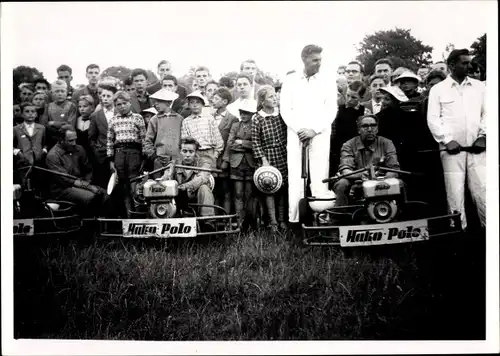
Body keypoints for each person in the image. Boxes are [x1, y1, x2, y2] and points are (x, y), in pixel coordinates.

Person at [427, 49, 486, 230]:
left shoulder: (480, 87)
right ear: (452, 65)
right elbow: (433, 119)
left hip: (478, 149)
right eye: (465, 63)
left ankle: (489, 231)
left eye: (469, 62)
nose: (469, 66)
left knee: (482, 191)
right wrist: (447, 140)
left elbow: (489, 113)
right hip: (452, 151)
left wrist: (484, 136)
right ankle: (457, 233)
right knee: (455, 193)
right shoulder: (438, 89)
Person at [280, 44, 336, 233]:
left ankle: (322, 219)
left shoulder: (328, 81)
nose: (319, 63)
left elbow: (331, 110)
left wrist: (314, 130)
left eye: (320, 60)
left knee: (320, 176)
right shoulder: (290, 80)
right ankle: (295, 222)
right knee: (296, 177)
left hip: (320, 135)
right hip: (296, 134)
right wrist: (299, 130)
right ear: (304, 59)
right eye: (315, 60)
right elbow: (285, 109)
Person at [333, 115, 400, 207]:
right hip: (357, 180)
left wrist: (381, 179)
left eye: (373, 126)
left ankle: (398, 213)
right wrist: (361, 175)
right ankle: (340, 217)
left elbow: (394, 169)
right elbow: (345, 171)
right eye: (365, 126)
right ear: (358, 130)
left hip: (382, 179)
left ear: (377, 129)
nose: (369, 129)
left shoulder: (387, 143)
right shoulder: (348, 145)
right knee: (341, 184)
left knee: (400, 184)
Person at [46, 125, 107, 216]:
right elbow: (65, 180)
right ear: (61, 140)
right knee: (91, 197)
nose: (74, 143)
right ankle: (88, 224)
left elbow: (88, 169)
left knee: (106, 194)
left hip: (81, 184)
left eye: (75, 139)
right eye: (70, 141)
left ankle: (101, 223)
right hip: (62, 189)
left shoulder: (79, 149)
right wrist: (88, 187)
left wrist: (87, 183)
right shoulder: (53, 155)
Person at [252, 86, 288, 231]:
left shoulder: (281, 114)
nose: (275, 99)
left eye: (275, 96)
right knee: (270, 187)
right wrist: (263, 160)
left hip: (282, 154)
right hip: (267, 156)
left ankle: (282, 219)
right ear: (262, 100)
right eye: (271, 97)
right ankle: (272, 222)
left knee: (282, 188)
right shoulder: (257, 118)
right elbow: (255, 141)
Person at [107, 90, 146, 218]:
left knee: (135, 183)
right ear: (115, 106)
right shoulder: (113, 120)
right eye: (118, 104)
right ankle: (128, 216)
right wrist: (111, 161)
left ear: (129, 103)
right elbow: (109, 141)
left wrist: (144, 158)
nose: (122, 106)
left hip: (134, 153)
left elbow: (144, 139)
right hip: (119, 153)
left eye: (124, 103)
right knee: (122, 185)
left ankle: (138, 215)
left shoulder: (138, 118)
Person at [161, 137, 216, 224]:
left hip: (196, 197)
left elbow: (202, 178)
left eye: (191, 152)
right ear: (180, 152)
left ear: (196, 153)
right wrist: (160, 181)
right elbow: (166, 176)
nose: (187, 155)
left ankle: (208, 222)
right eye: (184, 151)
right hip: (178, 198)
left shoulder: (204, 163)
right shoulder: (174, 164)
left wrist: (184, 186)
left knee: (204, 188)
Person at [222, 101, 257, 227]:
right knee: (238, 193)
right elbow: (230, 144)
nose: (243, 115)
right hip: (236, 163)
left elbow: (256, 144)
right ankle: (239, 220)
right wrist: (226, 159)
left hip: (250, 163)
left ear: (251, 114)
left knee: (249, 193)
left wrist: (241, 143)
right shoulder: (235, 126)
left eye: (246, 113)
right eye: (241, 113)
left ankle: (248, 219)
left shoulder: (255, 125)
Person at [329, 80, 367, 178]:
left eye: (354, 97)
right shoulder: (337, 109)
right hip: (337, 151)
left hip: (356, 151)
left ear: (361, 98)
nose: (349, 99)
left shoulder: (365, 112)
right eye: (348, 95)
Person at [144, 89, 184, 177]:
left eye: (159, 101)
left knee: (176, 184)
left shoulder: (179, 119)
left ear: (168, 103)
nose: (155, 104)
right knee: (159, 186)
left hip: (177, 159)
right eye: (155, 102)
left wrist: (181, 154)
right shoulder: (154, 119)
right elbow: (147, 141)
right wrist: (154, 156)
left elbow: (184, 139)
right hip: (160, 160)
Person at [211, 87, 239, 213]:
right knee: (214, 189)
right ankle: (215, 220)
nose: (213, 100)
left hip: (223, 160)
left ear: (225, 102)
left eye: (216, 98)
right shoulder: (209, 117)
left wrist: (226, 160)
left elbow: (230, 142)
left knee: (226, 190)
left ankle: (226, 219)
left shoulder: (232, 119)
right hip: (211, 159)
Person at [180, 91, 224, 169]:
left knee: (209, 177)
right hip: (194, 154)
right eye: (192, 102)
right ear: (189, 105)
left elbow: (218, 138)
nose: (195, 105)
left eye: (198, 102)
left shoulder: (209, 118)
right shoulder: (186, 121)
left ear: (203, 104)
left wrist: (215, 154)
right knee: (196, 176)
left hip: (209, 152)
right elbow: (185, 140)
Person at [88, 84, 118, 189]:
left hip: (119, 153)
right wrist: (97, 150)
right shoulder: (96, 116)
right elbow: (91, 137)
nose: (104, 98)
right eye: (103, 95)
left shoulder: (120, 112)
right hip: (102, 155)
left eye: (108, 96)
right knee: (104, 184)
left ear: (114, 97)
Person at [40, 80, 78, 150]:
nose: (60, 94)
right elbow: (44, 124)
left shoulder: (72, 106)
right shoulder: (48, 106)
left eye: (62, 91)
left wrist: (53, 123)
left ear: (66, 92)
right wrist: (61, 124)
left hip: (67, 139)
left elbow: (70, 125)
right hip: (51, 140)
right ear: (52, 93)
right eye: (57, 91)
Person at [14, 102, 47, 171]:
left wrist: (43, 151)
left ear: (36, 114)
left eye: (33, 111)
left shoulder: (42, 128)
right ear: (22, 114)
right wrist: (18, 153)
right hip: (23, 161)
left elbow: (44, 143)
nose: (30, 113)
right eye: (27, 111)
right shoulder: (16, 129)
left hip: (38, 160)